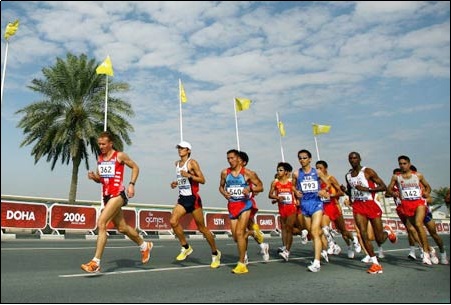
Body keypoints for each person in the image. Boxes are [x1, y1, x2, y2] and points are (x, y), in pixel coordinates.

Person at [81, 131, 153, 273]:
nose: (100, 146)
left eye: (103, 144)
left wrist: (132, 184)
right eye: (99, 144)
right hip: (107, 196)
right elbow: (101, 179)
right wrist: (94, 177)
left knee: (101, 223)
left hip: (118, 195)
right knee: (122, 228)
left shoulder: (119, 155)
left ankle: (95, 263)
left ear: (110, 144)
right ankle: (145, 245)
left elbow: (135, 167)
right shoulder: (100, 158)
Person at [169, 141, 221, 268]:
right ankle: (186, 247)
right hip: (182, 199)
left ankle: (215, 253)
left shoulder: (192, 163)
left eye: (182, 148)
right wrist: (176, 183)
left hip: (193, 199)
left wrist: (189, 175)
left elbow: (203, 180)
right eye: (179, 148)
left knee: (202, 228)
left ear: (188, 151)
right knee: (173, 222)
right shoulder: (177, 164)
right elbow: (182, 180)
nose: (180, 150)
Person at [344, 152, 397, 275]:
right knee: (363, 234)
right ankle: (375, 263)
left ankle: (387, 232)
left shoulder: (367, 171)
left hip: (371, 204)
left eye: (355, 158)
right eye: (350, 158)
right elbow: (351, 192)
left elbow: (383, 187)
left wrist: (367, 189)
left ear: (360, 159)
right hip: (358, 206)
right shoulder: (348, 176)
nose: (353, 160)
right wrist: (345, 191)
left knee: (379, 238)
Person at [219, 149, 264, 274]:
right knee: (235, 237)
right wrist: (225, 194)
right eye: (228, 158)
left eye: (232, 158)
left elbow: (261, 186)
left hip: (245, 205)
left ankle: (242, 263)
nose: (230, 160)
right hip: (232, 205)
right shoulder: (224, 173)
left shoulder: (248, 173)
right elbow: (220, 187)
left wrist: (249, 188)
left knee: (239, 233)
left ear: (239, 159)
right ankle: (254, 233)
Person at [293, 149, 331, 272]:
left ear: (310, 159)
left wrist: (324, 191)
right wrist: (296, 192)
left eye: (304, 158)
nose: (302, 160)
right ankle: (325, 243)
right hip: (304, 205)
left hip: (316, 204)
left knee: (314, 232)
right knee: (312, 232)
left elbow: (328, 183)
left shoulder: (317, 172)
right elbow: (293, 186)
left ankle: (316, 262)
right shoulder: (296, 174)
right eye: (300, 158)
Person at [315, 160, 361, 259]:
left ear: (325, 168)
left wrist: (331, 195)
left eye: (320, 168)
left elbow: (341, 192)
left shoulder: (331, 178)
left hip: (334, 206)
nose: (318, 170)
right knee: (324, 228)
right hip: (324, 207)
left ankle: (353, 240)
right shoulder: (317, 180)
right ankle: (332, 245)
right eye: (317, 168)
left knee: (343, 231)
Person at [238, 151, 269, 262]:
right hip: (236, 204)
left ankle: (244, 256)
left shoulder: (249, 173)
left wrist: (252, 191)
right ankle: (262, 245)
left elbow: (259, 187)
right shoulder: (231, 174)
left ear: (244, 162)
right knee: (247, 229)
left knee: (242, 231)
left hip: (247, 203)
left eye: (239, 159)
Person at [268, 162, 298, 261]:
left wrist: (298, 201)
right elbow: (270, 195)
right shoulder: (275, 183)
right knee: (284, 229)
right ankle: (285, 246)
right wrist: (277, 197)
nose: (278, 172)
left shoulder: (291, 182)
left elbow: (297, 193)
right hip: (282, 208)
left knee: (289, 228)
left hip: (292, 207)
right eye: (277, 170)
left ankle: (287, 251)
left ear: (286, 172)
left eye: (280, 170)